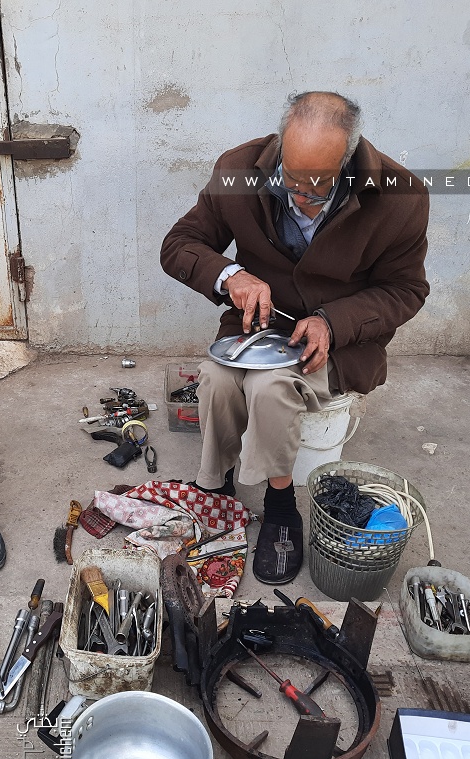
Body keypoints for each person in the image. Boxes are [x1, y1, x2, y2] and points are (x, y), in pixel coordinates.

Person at [161, 91, 429, 584]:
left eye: (318, 186)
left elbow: (406, 290)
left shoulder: (401, 196)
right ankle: (216, 485)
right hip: (258, 327)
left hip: (341, 341)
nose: (301, 196)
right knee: (217, 377)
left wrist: (334, 321)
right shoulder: (240, 169)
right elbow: (179, 245)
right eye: (291, 179)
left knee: (269, 387)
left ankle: (282, 507)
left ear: (348, 160)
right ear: (281, 145)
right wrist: (230, 275)